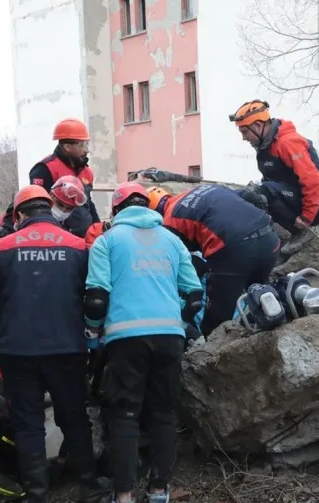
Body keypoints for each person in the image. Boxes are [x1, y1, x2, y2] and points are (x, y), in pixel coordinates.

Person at [0, 185, 109, 503]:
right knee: (74, 415)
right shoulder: (79, 246)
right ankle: (88, 483)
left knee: (27, 422)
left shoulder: (1, 248)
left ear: (19, 214)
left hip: (16, 351)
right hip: (67, 347)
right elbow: (93, 297)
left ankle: (37, 492)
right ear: (49, 209)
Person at [84, 182, 203, 503]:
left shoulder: (106, 242)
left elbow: (96, 299)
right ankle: (159, 490)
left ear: (116, 211)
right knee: (163, 413)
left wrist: (94, 335)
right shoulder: (172, 240)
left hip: (125, 339)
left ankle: (123, 495)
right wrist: (177, 323)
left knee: (124, 414)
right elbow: (194, 296)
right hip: (169, 338)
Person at [146, 184, 280, 336]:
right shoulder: (203, 189)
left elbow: (181, 262)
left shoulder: (169, 221)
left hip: (234, 250)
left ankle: (211, 355)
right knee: (259, 298)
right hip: (269, 238)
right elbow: (250, 196)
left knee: (217, 318)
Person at [229, 100, 319, 255]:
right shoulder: (266, 144)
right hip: (293, 193)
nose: (244, 138)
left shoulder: (288, 143)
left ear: (258, 126)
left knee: (265, 191)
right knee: (257, 194)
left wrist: (307, 217)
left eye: (245, 132)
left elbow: (312, 181)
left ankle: (301, 232)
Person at [0, 175, 89, 275]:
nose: (63, 211)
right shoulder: (25, 206)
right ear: (51, 195)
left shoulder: (77, 222)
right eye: (60, 204)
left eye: (69, 208)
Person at [28, 118, 100, 237]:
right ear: (67, 146)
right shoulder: (45, 168)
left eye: (87, 144)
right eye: (82, 145)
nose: (86, 150)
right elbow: (37, 206)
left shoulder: (87, 172)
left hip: (84, 237)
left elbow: (88, 203)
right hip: (56, 237)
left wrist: (97, 227)